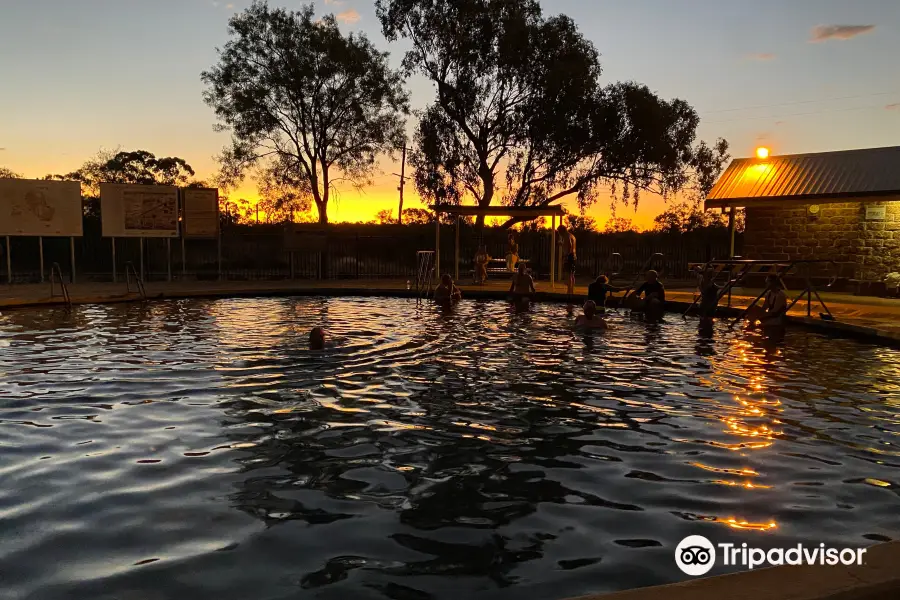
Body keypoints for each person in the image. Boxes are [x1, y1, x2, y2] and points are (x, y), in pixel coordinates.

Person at [557, 225, 577, 296]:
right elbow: (570, 245)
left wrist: (565, 256)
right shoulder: (572, 236)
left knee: (568, 275)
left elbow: (569, 246)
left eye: (559, 232)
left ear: (561, 231)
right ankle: (571, 291)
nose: (559, 233)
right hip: (574, 257)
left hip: (569, 257)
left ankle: (569, 292)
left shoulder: (566, 236)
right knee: (571, 274)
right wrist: (562, 244)